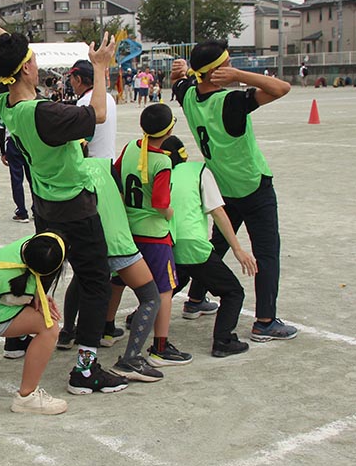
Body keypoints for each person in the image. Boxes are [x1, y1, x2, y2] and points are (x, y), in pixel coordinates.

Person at [0, 10, 128, 394]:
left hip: (45, 204)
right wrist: (101, 67)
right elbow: (98, 113)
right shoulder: (46, 113)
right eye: (32, 59)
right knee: (95, 282)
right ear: (27, 69)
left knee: (44, 271)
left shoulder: (6, 103)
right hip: (74, 205)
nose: (36, 63)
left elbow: (6, 48)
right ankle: (86, 370)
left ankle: (18, 337)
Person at [172, 40, 297, 342]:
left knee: (216, 245)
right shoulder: (231, 101)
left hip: (223, 187)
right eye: (227, 64)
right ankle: (265, 321)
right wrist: (239, 75)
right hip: (252, 185)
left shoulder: (189, 96)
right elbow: (282, 88)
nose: (231, 67)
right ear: (216, 71)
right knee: (266, 252)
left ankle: (195, 299)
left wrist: (181, 72)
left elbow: (180, 82)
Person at [57, 156, 164, 384]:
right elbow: (122, 200)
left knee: (82, 280)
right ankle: (131, 359)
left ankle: (67, 332)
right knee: (151, 297)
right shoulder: (105, 164)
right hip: (115, 241)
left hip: (81, 240)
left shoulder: (61, 170)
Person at [161, 136, 257, 357]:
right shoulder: (199, 171)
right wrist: (237, 249)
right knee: (233, 292)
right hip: (194, 246)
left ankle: (140, 316)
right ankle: (223, 341)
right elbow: (218, 212)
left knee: (174, 282)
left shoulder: (161, 175)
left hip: (169, 244)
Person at [115, 103, 192, 366]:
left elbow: (116, 175)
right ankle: (160, 346)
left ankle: (106, 328)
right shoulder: (162, 161)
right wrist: (171, 213)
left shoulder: (130, 148)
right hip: (155, 236)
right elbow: (160, 203)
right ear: (169, 131)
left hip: (129, 230)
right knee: (163, 290)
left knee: (118, 280)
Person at [0, 233, 73, 413]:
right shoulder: (21, 285)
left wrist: (38, 294)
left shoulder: (29, 245)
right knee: (49, 327)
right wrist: (36, 298)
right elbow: (14, 300)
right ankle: (27, 396)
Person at [68, 59, 117, 160]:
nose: (70, 83)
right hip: (109, 160)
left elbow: (81, 141)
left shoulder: (84, 102)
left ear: (78, 80)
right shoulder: (108, 97)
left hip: (93, 163)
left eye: (71, 78)